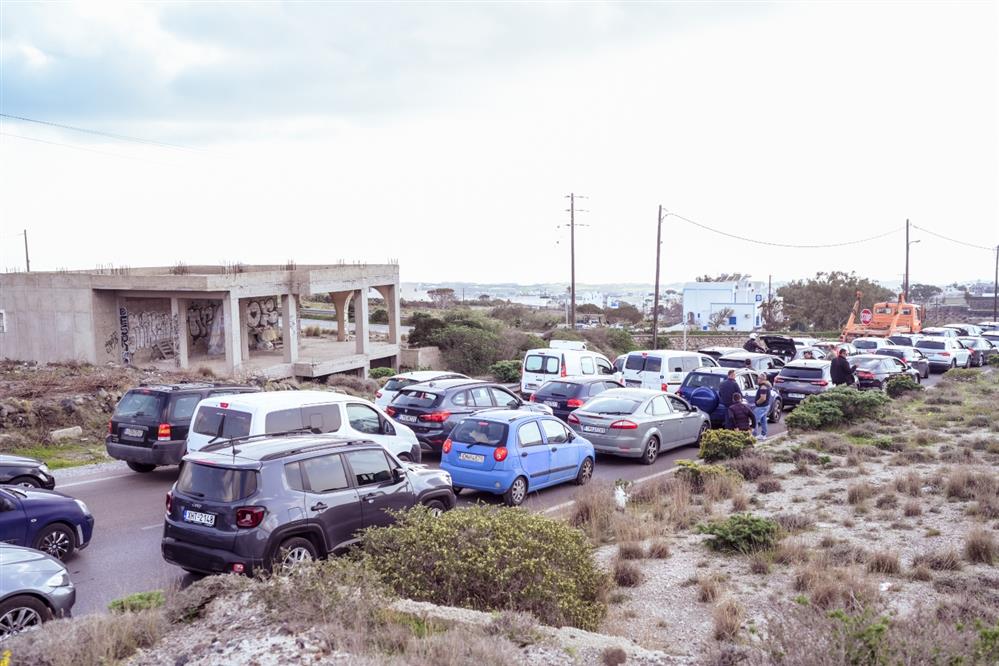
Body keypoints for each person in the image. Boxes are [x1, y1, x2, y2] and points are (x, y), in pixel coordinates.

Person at [753, 374, 773, 439]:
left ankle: (754, 435)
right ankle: (763, 434)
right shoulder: (767, 385)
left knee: (755, 419)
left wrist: (757, 402)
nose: (757, 380)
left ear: (761, 379)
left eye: (758, 378)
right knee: (763, 420)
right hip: (766, 406)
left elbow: (763, 398)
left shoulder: (763, 387)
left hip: (761, 406)